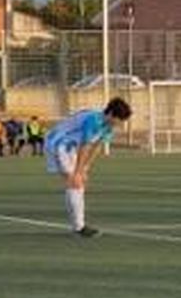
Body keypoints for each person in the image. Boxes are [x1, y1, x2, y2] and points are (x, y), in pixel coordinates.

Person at [44, 98, 133, 237]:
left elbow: (97, 146)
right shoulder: (93, 120)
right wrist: (78, 171)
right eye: (120, 120)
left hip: (70, 146)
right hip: (59, 143)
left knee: (77, 183)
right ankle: (79, 227)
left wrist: (86, 168)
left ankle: (78, 226)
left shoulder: (108, 126)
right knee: (75, 182)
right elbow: (84, 146)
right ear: (111, 114)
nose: (121, 124)